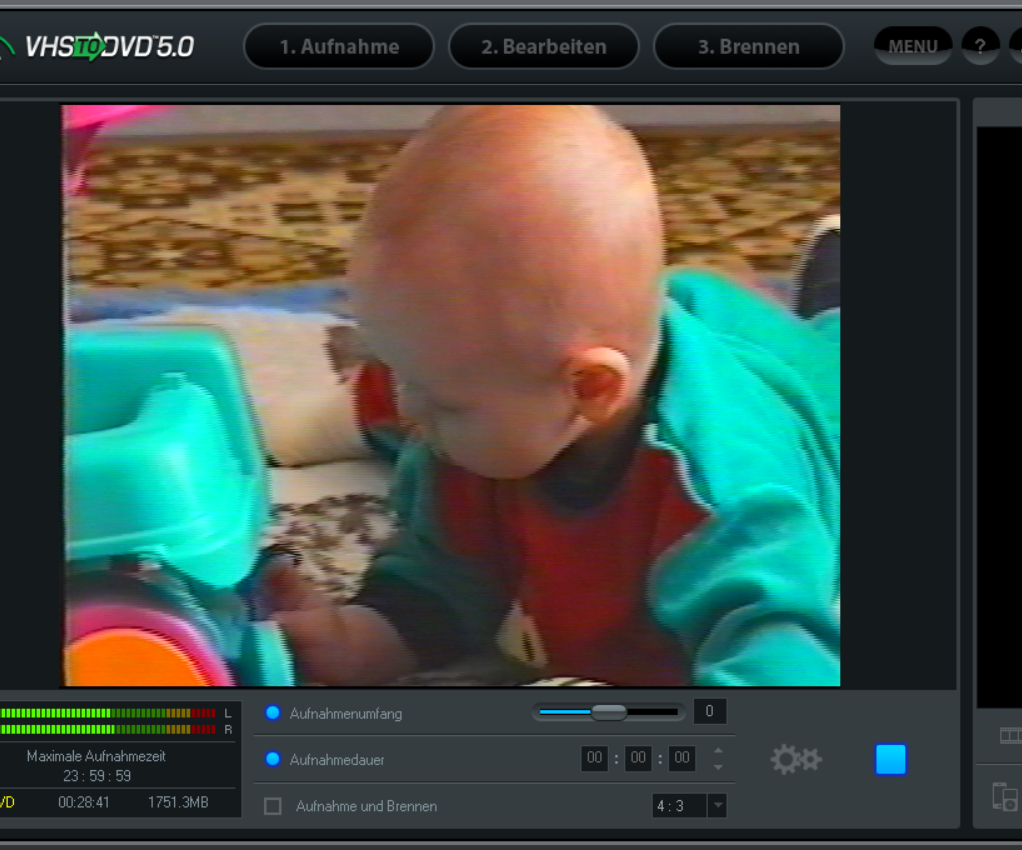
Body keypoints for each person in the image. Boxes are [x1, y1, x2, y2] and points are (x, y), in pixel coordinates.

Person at [267, 105, 840, 687]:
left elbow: (788, 668)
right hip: (638, 332)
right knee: (446, 370)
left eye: (442, 404)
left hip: (813, 383)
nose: (412, 410)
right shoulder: (486, 400)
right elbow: (444, 572)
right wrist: (363, 637)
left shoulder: (728, 502)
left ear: (587, 389)